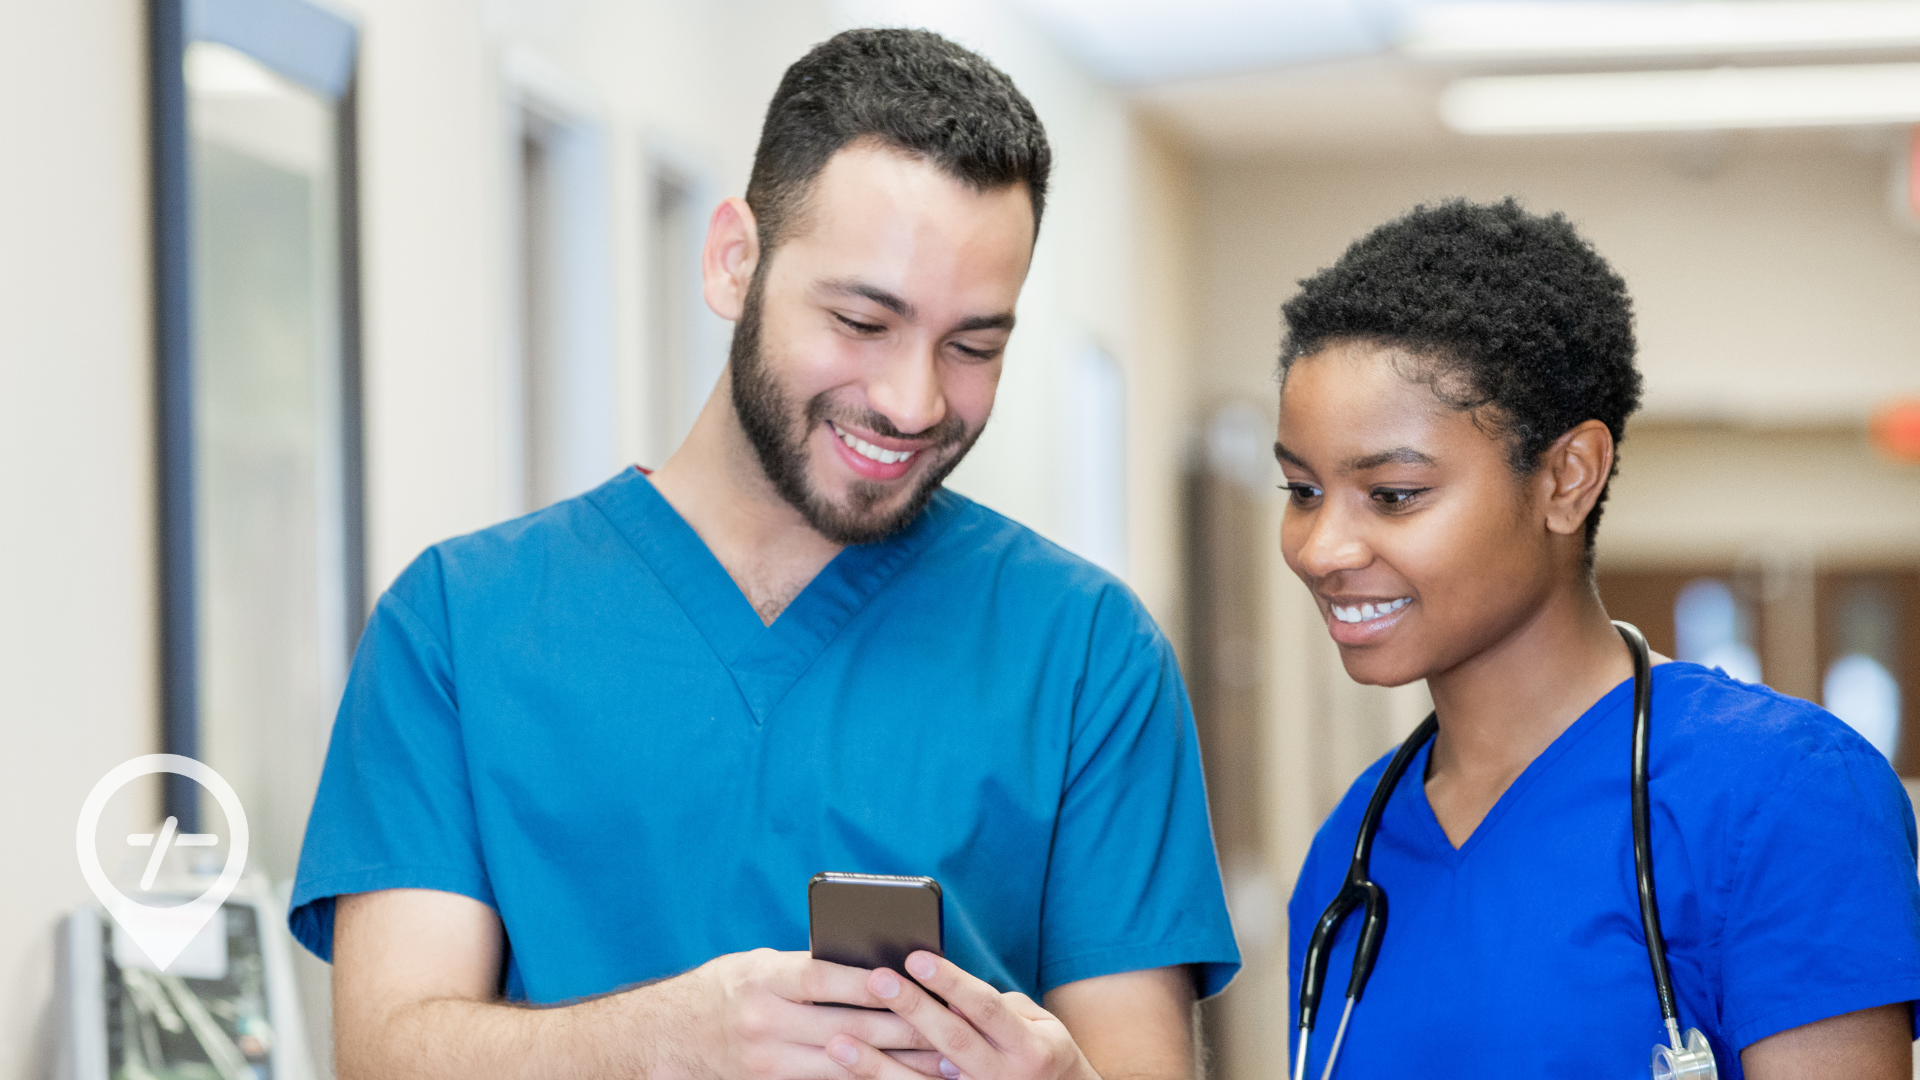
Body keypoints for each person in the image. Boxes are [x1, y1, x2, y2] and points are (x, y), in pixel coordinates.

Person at [288, 27, 1239, 1080]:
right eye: (862, 319)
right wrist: (671, 1040)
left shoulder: (1088, 656)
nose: (913, 401)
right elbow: (387, 1053)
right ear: (734, 261)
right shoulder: (460, 626)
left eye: (973, 346)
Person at [1275, 199, 1920, 1078]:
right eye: (1302, 490)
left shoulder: (1779, 796)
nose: (1321, 549)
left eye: (1392, 494)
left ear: (1567, 478)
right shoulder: (1354, 849)